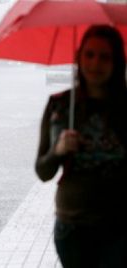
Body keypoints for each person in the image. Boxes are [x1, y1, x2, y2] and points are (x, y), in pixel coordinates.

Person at [35, 24, 127, 267]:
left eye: (105, 57)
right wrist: (58, 150)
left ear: (116, 62)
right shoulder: (60, 106)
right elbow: (43, 171)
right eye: (89, 54)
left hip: (120, 228)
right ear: (79, 58)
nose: (95, 64)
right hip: (73, 228)